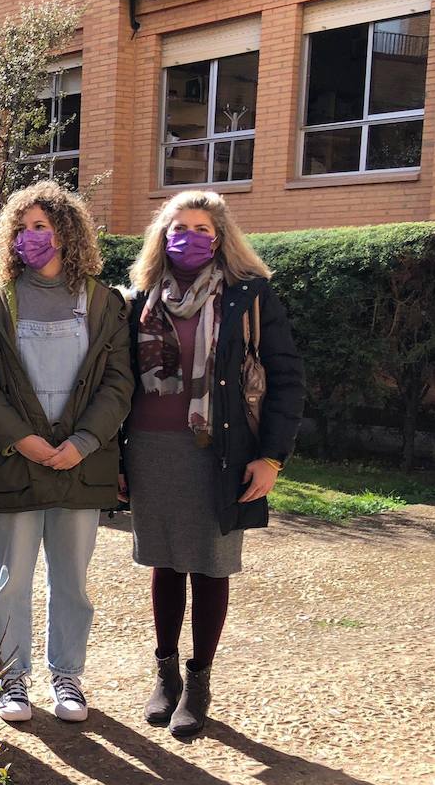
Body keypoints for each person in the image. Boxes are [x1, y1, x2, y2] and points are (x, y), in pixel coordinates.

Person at [123, 190, 304, 739]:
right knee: (165, 561)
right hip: (152, 448)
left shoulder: (249, 297)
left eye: (203, 229)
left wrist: (272, 457)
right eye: (179, 228)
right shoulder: (139, 298)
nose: (190, 238)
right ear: (162, 235)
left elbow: (288, 380)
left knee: (210, 563)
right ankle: (166, 675)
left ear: (221, 238)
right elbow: (121, 381)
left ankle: (199, 682)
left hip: (220, 449)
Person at [0, 181, 133, 725]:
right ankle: (12, 676)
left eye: (42, 226)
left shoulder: (105, 303)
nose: (31, 237)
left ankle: (67, 676)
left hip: (82, 463)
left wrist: (82, 442)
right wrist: (25, 440)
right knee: (12, 578)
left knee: (72, 579)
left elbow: (119, 383)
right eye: (22, 227)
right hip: (15, 460)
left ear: (67, 232)